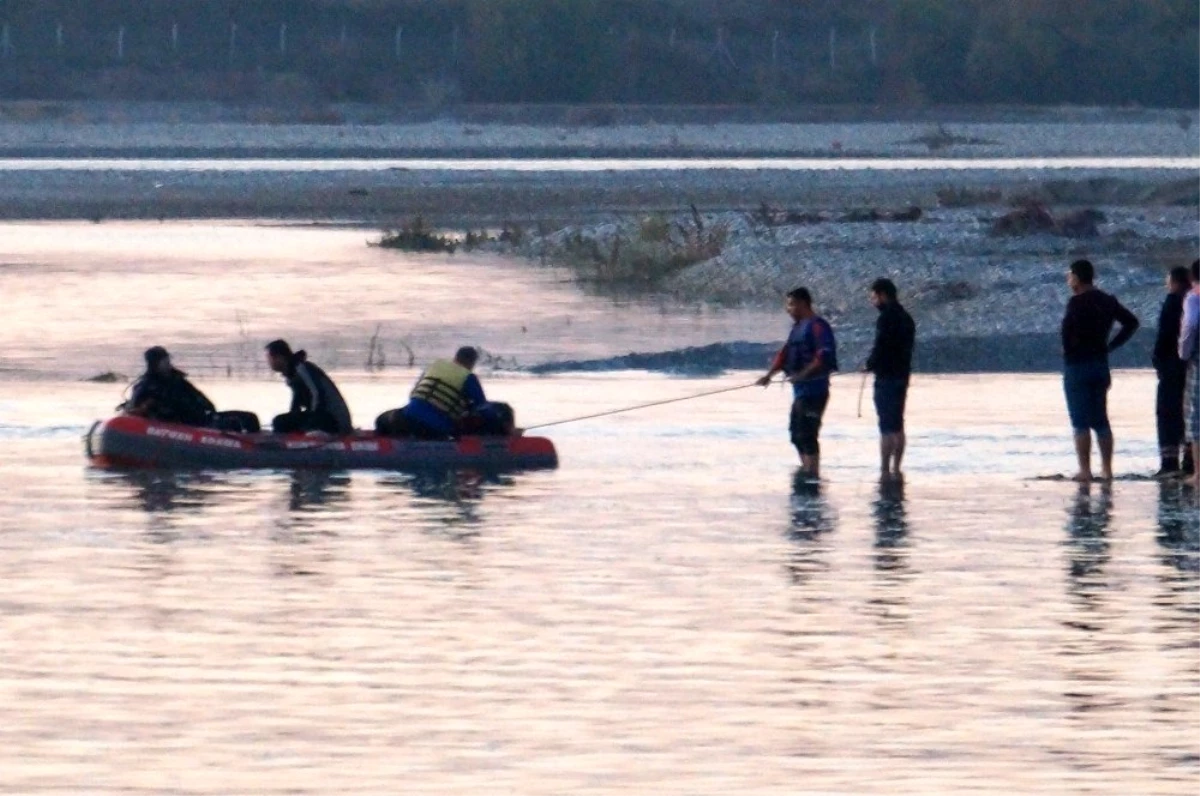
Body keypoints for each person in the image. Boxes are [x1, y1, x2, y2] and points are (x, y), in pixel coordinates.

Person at [1061, 258, 1139, 483]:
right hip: (1100, 364)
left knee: (1080, 421)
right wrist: (1111, 345)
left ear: (1076, 277)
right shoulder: (1107, 300)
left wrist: (1068, 351)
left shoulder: (1076, 302)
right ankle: (1107, 470)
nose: (1068, 279)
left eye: (1069, 275)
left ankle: (1085, 470)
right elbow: (1131, 322)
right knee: (1101, 419)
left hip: (1077, 365)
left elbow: (1067, 334)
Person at [757, 287, 838, 477]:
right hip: (801, 392)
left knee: (807, 434)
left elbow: (823, 355)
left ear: (802, 304)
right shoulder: (797, 328)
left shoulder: (818, 326)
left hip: (815, 391)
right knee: (795, 435)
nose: (788, 309)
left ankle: (813, 474)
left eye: (791, 304)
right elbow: (784, 355)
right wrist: (769, 375)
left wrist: (803, 374)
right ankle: (806, 468)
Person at [376, 346, 512, 439]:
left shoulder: (435, 366)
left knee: (381, 419)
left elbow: (414, 394)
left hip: (405, 418)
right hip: (435, 428)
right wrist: (504, 427)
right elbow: (483, 409)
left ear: (455, 357)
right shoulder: (468, 377)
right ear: (472, 363)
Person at [863, 278, 916, 481]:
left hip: (886, 377)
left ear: (883, 295)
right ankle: (897, 468)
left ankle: (885, 469)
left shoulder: (885, 318)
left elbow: (881, 347)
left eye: (874, 297)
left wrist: (869, 364)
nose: (873, 301)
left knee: (886, 426)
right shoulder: (906, 317)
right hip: (902, 376)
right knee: (898, 423)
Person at [1153, 266, 1193, 477]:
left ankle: (1169, 463)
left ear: (1174, 281)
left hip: (1171, 365)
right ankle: (1190, 460)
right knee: (1188, 412)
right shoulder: (1193, 299)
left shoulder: (1173, 300)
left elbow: (1164, 334)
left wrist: (1157, 360)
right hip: (1191, 366)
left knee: (1167, 412)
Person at [265, 339, 353, 435]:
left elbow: (318, 394)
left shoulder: (303, 368)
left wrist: (312, 417)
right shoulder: (292, 373)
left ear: (280, 357)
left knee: (309, 421)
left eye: (269, 358)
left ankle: (318, 435)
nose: (269, 362)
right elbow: (297, 401)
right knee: (279, 422)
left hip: (333, 419)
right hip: (320, 415)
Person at [123, 346, 216, 427]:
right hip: (167, 423)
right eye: (163, 361)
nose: (167, 363)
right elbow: (134, 409)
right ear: (154, 364)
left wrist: (209, 410)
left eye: (167, 359)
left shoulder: (178, 380)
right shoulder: (146, 386)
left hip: (191, 421)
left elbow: (200, 398)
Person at [1177, 259, 1200, 489]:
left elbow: (1191, 325)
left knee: (1196, 418)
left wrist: (1184, 352)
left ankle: (1198, 474)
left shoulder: (1194, 297)